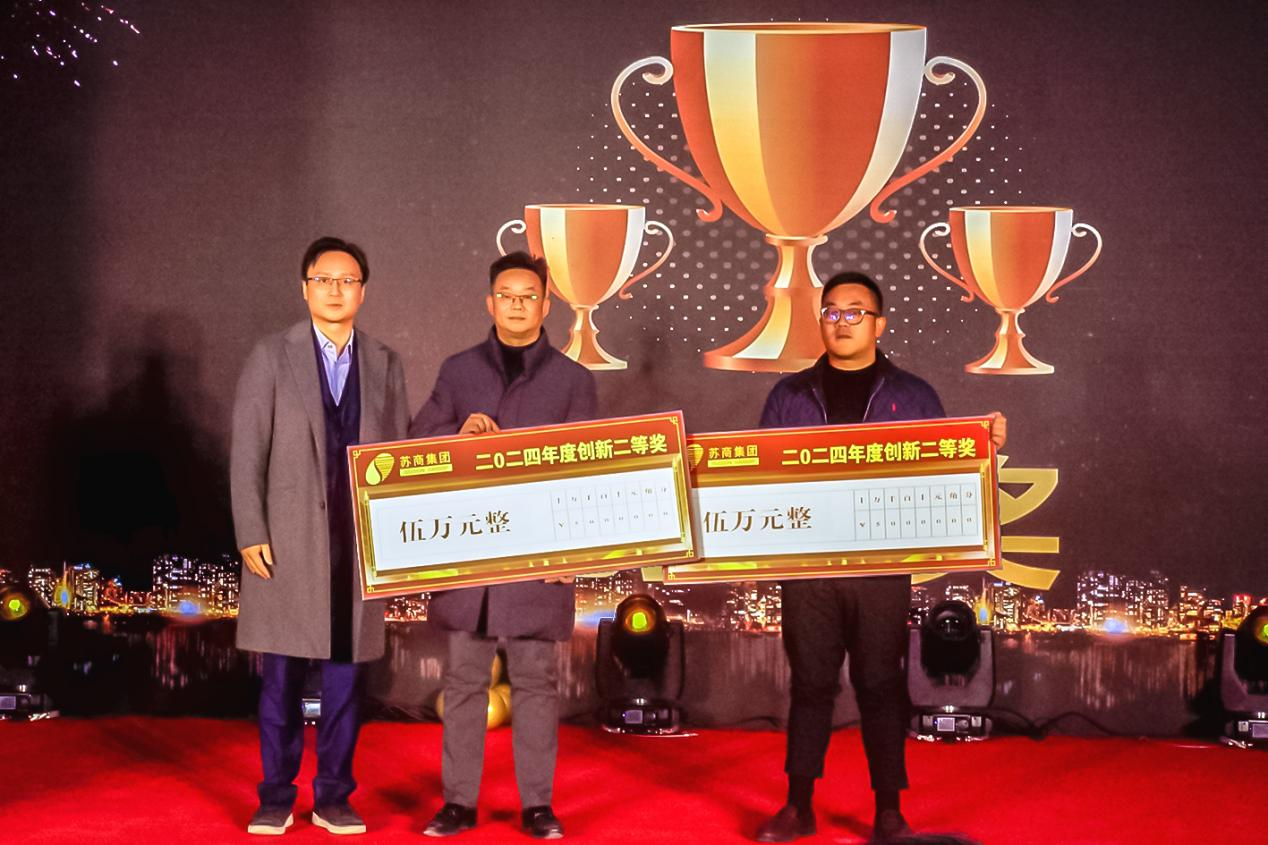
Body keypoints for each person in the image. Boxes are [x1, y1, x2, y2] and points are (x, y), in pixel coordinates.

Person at [754, 272, 1006, 844]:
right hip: (809, 569)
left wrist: (984, 448)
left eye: (855, 312)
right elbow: (758, 476)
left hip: (881, 570)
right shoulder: (789, 396)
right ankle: (797, 805)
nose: (841, 322)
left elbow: (947, 472)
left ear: (879, 324)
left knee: (879, 683)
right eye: (831, 312)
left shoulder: (913, 396)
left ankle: (889, 811)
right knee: (810, 683)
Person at [412, 251, 597, 840]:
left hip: (538, 560)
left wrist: (576, 553)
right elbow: (417, 441)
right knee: (463, 682)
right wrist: (455, 434)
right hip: (470, 555)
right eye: (507, 296)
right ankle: (458, 803)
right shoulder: (458, 370)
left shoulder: (574, 381)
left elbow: (588, 474)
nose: (517, 305)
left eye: (528, 296)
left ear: (546, 305)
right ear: (490, 303)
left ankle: (538, 806)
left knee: (537, 684)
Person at [231, 236, 409, 836]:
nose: (336, 290)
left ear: (364, 291)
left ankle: (334, 797)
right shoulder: (271, 356)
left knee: (346, 682)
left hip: (357, 547)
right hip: (286, 542)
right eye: (324, 280)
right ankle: (275, 797)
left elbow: (400, 454)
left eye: (347, 280)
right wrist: (250, 528)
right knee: (280, 680)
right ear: (304, 288)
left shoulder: (385, 362)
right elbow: (247, 451)